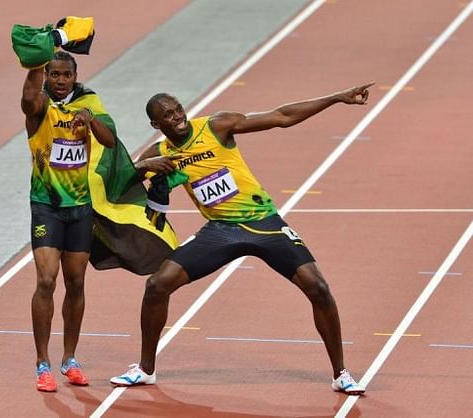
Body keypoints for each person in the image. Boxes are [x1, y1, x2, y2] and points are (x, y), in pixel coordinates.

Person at [110, 82, 374, 394]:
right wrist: (144, 166)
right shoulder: (161, 153)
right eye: (168, 115)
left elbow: (281, 116)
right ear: (156, 124)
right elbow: (120, 184)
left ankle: (340, 373)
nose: (177, 116)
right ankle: (145, 369)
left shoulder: (216, 126)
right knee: (157, 286)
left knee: (318, 287)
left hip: (263, 222)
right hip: (220, 231)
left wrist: (336, 97)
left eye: (178, 108)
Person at [21, 51, 116, 392]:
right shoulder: (41, 107)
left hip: (80, 207)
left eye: (66, 74)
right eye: (54, 74)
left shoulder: (89, 103)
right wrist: (33, 62)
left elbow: (110, 141)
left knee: (76, 283)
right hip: (46, 205)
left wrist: (90, 119)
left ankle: (70, 359)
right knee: (46, 280)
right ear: (47, 76)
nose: (60, 80)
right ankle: (42, 363)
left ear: (75, 76)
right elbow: (28, 100)